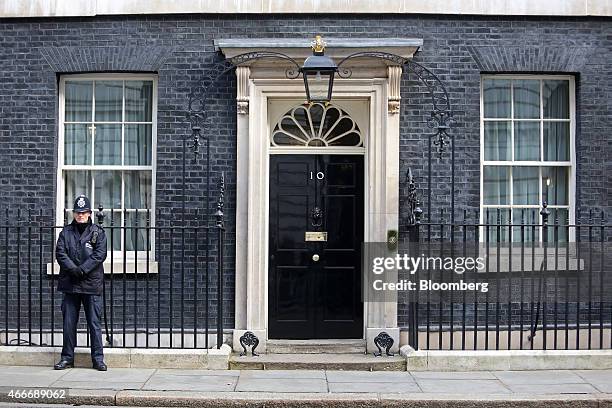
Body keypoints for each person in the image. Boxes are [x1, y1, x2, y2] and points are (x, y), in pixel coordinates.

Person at [53, 195, 108, 371]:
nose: (80, 215)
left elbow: (100, 254)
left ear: (90, 213)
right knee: (69, 323)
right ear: (74, 213)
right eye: (78, 212)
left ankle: (98, 359)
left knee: (94, 323)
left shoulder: (98, 232)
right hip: (70, 284)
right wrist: (73, 270)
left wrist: (82, 270)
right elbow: (60, 253)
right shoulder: (65, 232)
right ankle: (67, 358)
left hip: (91, 284)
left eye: (84, 212)